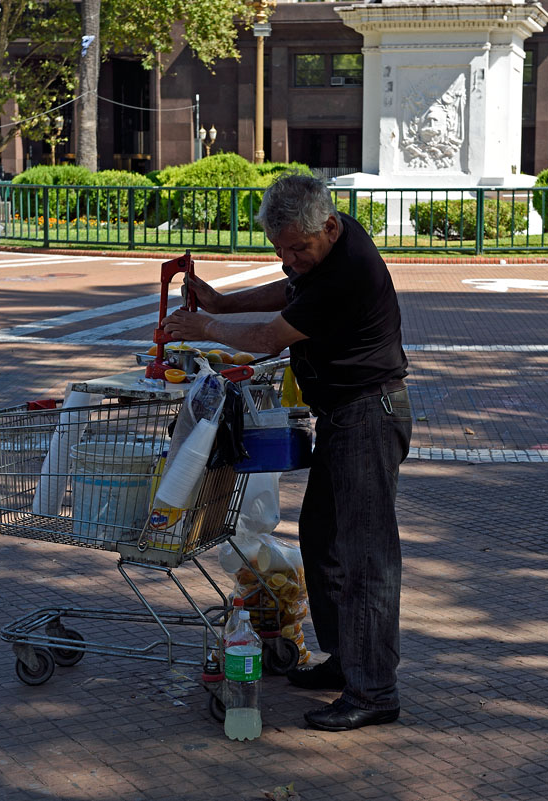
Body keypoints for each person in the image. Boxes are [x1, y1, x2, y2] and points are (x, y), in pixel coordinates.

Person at [162, 173, 412, 732]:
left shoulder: (345, 269)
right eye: (279, 250)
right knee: (323, 539)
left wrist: (204, 323)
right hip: (344, 414)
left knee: (367, 556)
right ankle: (348, 661)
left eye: (297, 248)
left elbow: (274, 335)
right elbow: (290, 292)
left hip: (369, 414)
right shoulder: (325, 246)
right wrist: (223, 301)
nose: (289, 259)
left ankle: (375, 690)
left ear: (327, 226)